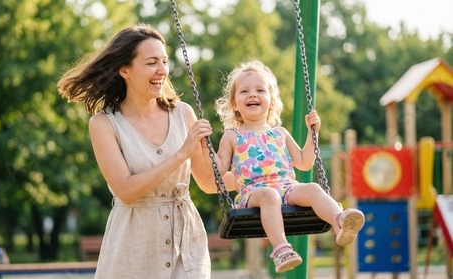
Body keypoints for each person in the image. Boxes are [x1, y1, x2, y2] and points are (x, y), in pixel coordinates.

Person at [57, 23, 216, 279]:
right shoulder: (104, 124)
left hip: (186, 245)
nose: (162, 70)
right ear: (125, 70)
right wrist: (180, 155)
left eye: (164, 61)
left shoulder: (183, 113)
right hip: (133, 248)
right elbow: (127, 191)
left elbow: (209, 182)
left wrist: (263, 175)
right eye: (152, 62)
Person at [205, 60, 365, 273]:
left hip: (286, 187)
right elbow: (220, 168)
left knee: (312, 188)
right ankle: (281, 249)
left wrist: (312, 133)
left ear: (271, 100)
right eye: (245, 91)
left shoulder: (280, 133)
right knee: (270, 195)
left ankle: (339, 220)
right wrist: (204, 144)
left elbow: (304, 162)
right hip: (253, 193)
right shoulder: (232, 136)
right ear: (234, 103)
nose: (253, 94)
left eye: (260, 90)